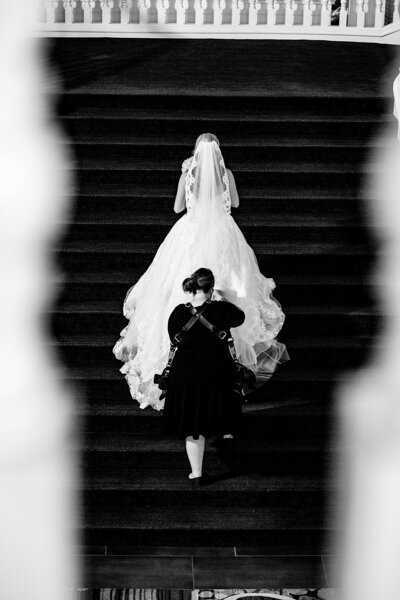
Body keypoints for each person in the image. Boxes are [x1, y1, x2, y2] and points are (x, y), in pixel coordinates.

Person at [113, 132, 288, 410]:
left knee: (176, 286)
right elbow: (237, 204)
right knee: (233, 284)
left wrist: (189, 185)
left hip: (190, 232)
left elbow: (177, 207)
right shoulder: (226, 174)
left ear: (196, 152)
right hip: (222, 232)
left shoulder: (188, 173)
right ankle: (228, 360)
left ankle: (178, 358)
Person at [162, 268, 245, 484]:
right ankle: (227, 436)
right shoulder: (222, 309)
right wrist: (222, 299)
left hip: (185, 373)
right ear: (210, 287)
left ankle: (197, 474)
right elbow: (240, 318)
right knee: (221, 410)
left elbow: (173, 336)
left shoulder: (178, 312)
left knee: (193, 426)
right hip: (216, 372)